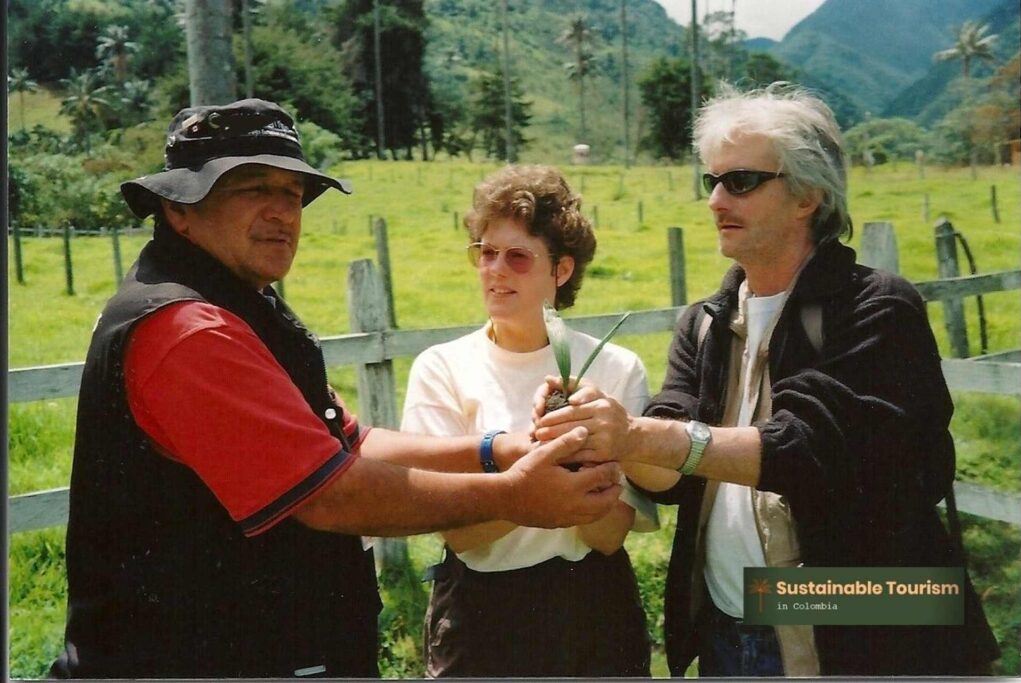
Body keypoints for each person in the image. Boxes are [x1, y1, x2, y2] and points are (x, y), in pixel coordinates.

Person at [50, 99, 624, 679]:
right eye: (252, 189)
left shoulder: (239, 304)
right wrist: (514, 495)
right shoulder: (190, 329)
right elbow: (331, 494)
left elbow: (348, 444)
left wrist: (496, 450)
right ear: (179, 210)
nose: (281, 212)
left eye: (293, 194)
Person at [532, 84, 1000, 676]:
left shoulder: (876, 308)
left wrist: (637, 437)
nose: (716, 200)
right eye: (712, 181)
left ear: (807, 194)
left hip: (869, 632)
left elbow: (810, 448)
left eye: (741, 181)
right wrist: (598, 433)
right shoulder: (704, 322)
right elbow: (669, 476)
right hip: (732, 628)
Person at [401, 164, 655, 677]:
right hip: (480, 613)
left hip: (592, 606)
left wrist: (509, 488)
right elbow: (459, 534)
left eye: (517, 257)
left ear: (561, 270)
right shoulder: (442, 367)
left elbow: (608, 536)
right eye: (485, 252)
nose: (495, 270)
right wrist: (564, 466)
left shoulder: (613, 369)